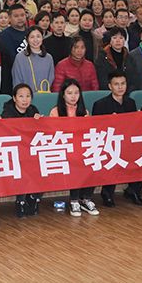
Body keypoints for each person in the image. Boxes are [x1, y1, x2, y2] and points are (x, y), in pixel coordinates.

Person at [49, 78, 98, 216]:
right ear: (63, 95)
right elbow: (53, 134)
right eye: (69, 93)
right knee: (76, 163)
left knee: (95, 160)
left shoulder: (84, 111)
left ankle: (86, 199)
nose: (73, 96)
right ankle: (74, 200)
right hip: (64, 150)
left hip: (81, 149)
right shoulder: (56, 112)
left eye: (76, 93)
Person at [91, 72, 141, 206]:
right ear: (110, 86)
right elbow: (95, 128)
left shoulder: (131, 103)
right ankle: (107, 192)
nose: (120, 87)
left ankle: (133, 190)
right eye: (116, 84)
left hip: (127, 142)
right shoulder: (100, 104)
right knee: (112, 156)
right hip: (109, 143)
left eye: (123, 84)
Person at [1, 83, 45, 217]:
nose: (25, 99)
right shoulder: (8, 112)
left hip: (30, 149)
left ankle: (34, 197)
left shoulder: (33, 110)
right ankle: (20, 200)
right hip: (15, 151)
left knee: (44, 164)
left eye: (28, 96)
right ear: (14, 98)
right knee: (22, 167)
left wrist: (39, 121)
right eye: (21, 96)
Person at [11, 26, 54, 93]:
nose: (35, 40)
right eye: (32, 37)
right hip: (25, 96)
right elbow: (17, 80)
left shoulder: (48, 58)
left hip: (44, 95)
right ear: (27, 39)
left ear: (42, 38)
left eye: (38, 36)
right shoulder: (20, 58)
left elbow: (50, 79)